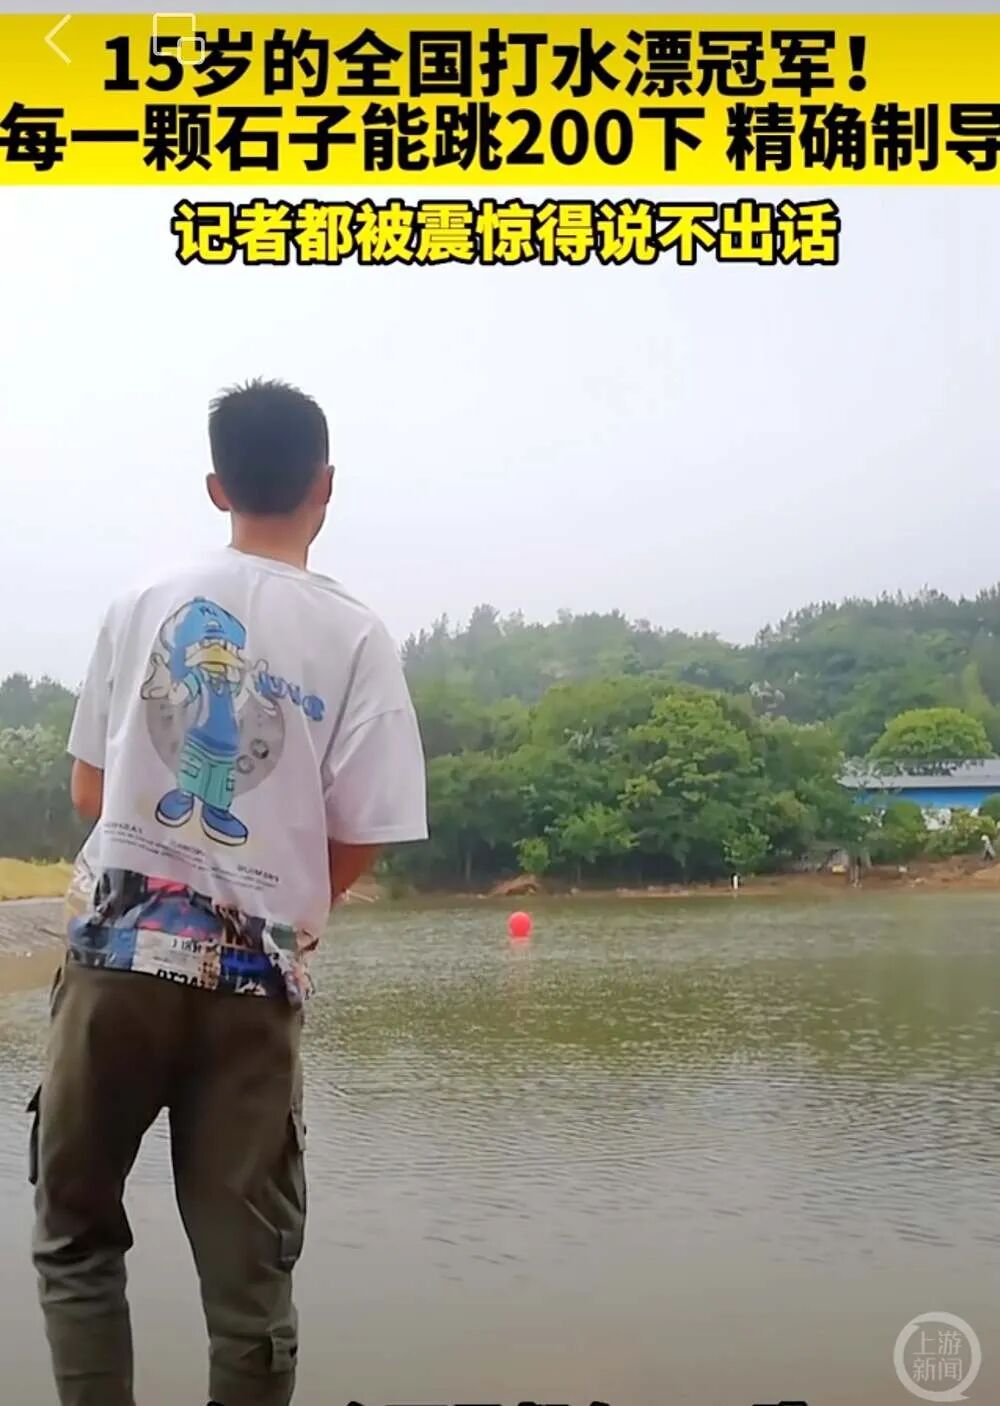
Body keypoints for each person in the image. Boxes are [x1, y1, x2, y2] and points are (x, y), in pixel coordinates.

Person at [29, 379, 428, 1406]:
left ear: (217, 486)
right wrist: (281, 910)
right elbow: (364, 829)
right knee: (250, 1291)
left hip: (115, 963)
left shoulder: (141, 602)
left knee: (76, 1234)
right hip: (253, 981)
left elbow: (89, 791)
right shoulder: (356, 636)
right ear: (325, 485)